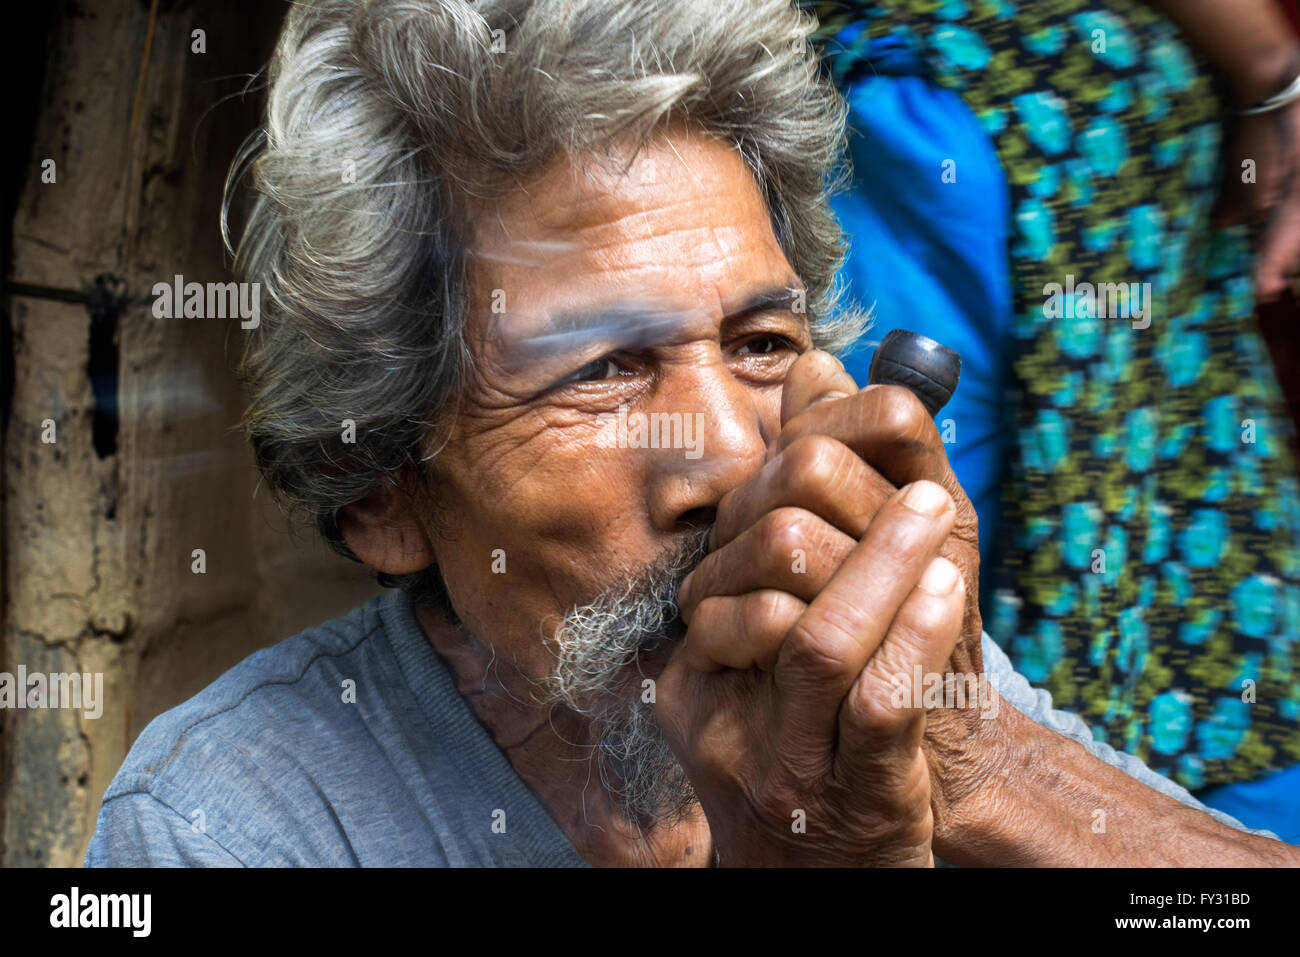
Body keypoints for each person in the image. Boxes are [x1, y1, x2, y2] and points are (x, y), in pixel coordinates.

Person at [87, 0, 1296, 866]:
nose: (730, 458)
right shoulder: (230, 822)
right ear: (383, 492)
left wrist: (989, 766)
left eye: (763, 343)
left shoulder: (899, 686)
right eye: (605, 370)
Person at [808, 0, 1300, 841]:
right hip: (1026, 126)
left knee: (913, 587)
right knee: (910, 590)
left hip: (1058, 144)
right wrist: (1266, 68)